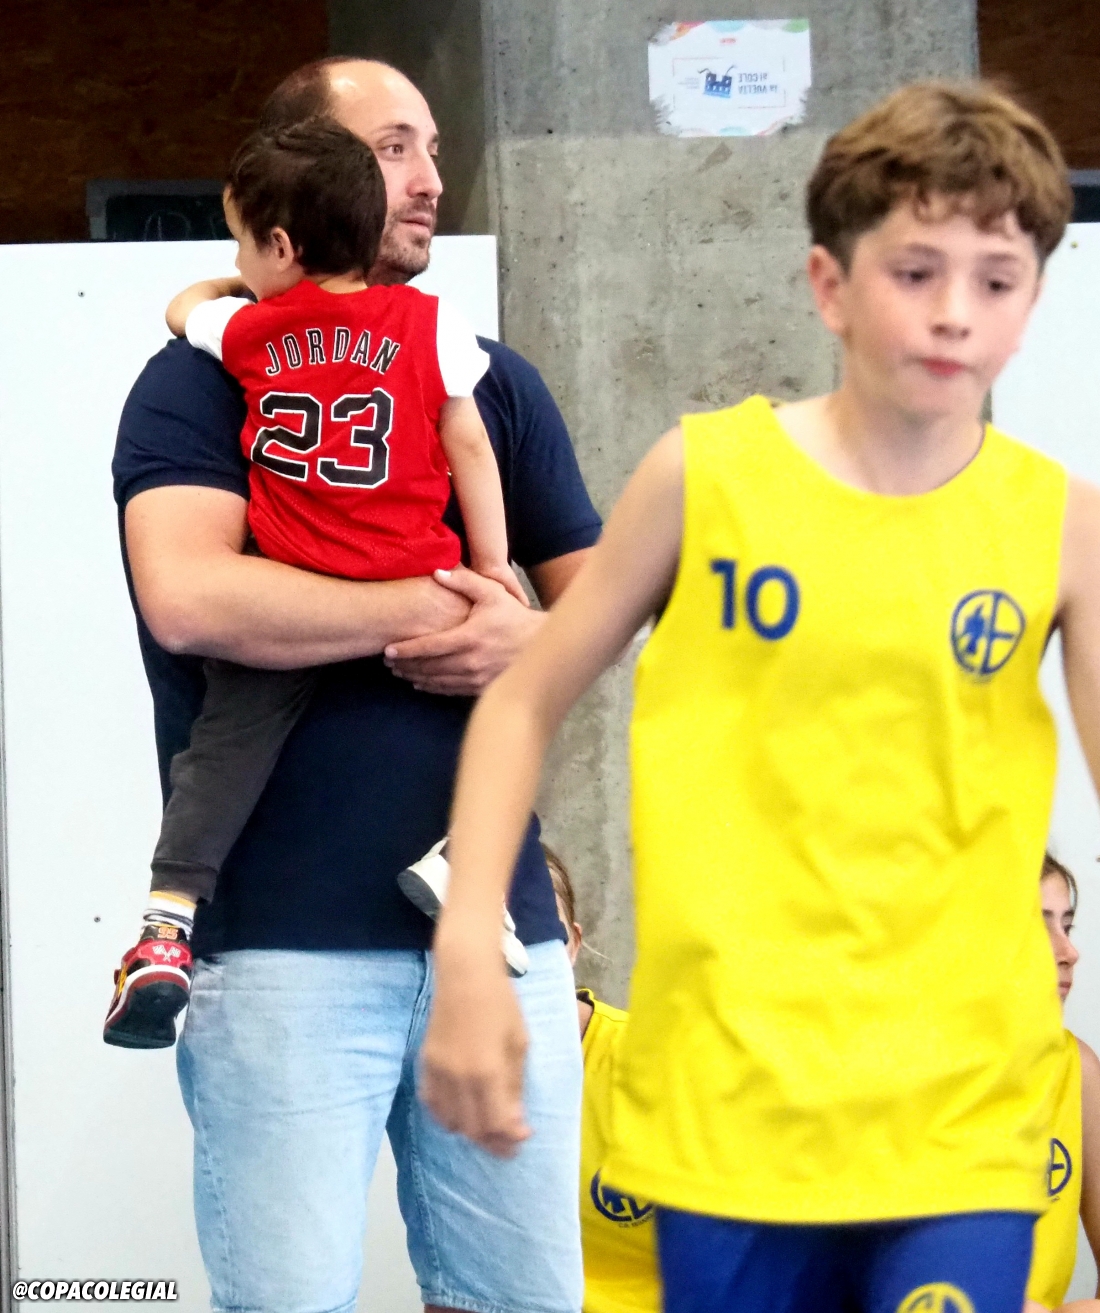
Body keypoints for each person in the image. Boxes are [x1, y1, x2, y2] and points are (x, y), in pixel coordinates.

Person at [420, 80, 1100, 1313]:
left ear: (1029, 303)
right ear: (828, 285)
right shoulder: (704, 476)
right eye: (914, 271)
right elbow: (519, 698)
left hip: (960, 1105)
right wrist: (470, 940)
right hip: (729, 1107)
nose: (953, 311)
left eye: (995, 279)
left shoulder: (1059, 525)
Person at [111, 58, 600, 1313]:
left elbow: (603, 605)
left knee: (521, 1300)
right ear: (305, 172)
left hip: (494, 938)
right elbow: (191, 596)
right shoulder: (200, 379)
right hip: (284, 944)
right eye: (392, 148)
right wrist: (441, 606)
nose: (429, 179)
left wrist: (526, 635)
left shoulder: (483, 368)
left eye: (431, 146)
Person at [104, 118, 528, 1049]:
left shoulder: (250, 332)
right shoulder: (427, 324)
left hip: (295, 584)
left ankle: (167, 923)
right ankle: (468, 864)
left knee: (222, 754)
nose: (238, 263)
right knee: (510, 708)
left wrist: (229, 289)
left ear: (281, 246)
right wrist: (492, 569)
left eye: (242, 244)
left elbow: (181, 308)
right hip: (415, 567)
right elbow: (469, 443)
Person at [546, 847, 662, 1313]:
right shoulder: (419, 1089)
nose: (514, 955)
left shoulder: (648, 1065)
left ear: (573, 944)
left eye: (539, 934)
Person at [1026, 854, 1100, 1313]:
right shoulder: (908, 1081)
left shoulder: (1079, 1070)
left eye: (1067, 926)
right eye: (1040, 927)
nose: (1069, 951)